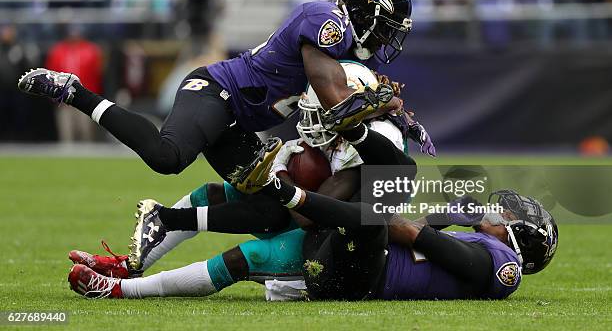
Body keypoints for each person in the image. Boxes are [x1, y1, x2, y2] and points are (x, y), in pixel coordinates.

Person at [18, 0, 412, 200]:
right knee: (167, 157)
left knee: (268, 206)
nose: (386, 39)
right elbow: (338, 105)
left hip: (241, 120)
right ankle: (75, 91)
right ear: (367, 12)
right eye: (387, 27)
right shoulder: (327, 21)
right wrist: (379, 104)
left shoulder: (352, 49)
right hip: (218, 92)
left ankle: (165, 221)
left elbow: (351, 102)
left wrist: (386, 104)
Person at [66, 126, 557, 300]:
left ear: (520, 239)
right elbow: (422, 235)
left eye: (511, 214)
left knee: (369, 210)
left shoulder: (500, 266)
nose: (502, 211)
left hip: (364, 274)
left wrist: (434, 222)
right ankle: (127, 268)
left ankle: (120, 290)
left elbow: (417, 237)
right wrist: (446, 216)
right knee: (222, 206)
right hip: (358, 255)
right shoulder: (484, 246)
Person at [45, 25, 103, 142]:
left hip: (85, 97)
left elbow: (97, 75)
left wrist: (94, 97)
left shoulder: (91, 50)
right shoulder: (58, 51)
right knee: (66, 133)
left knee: (86, 132)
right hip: (63, 98)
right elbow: (50, 74)